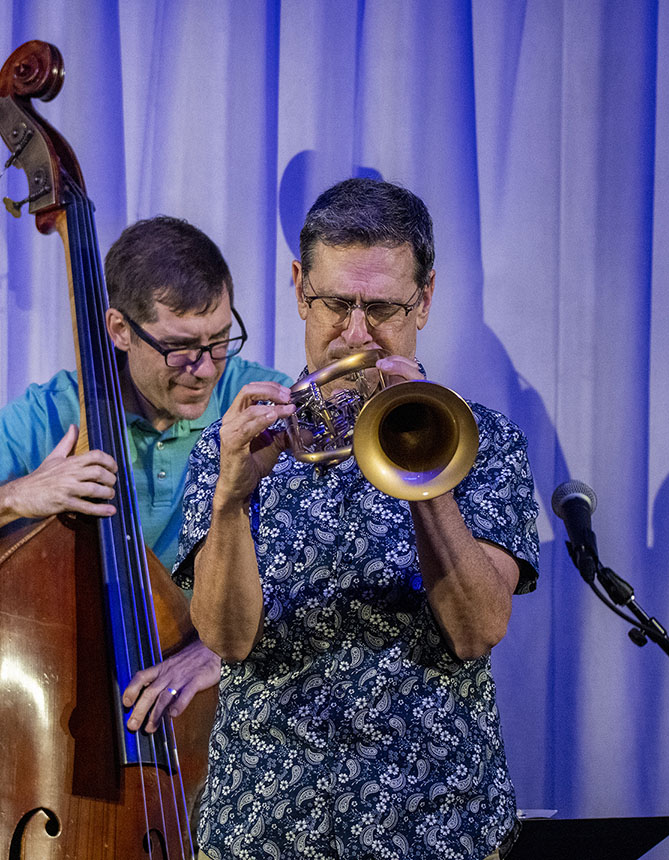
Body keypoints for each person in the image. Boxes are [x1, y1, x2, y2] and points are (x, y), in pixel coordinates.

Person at [174, 177, 539, 860]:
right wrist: (230, 503)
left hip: (434, 825)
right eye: (335, 304)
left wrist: (425, 473)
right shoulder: (229, 447)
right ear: (297, 288)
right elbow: (225, 639)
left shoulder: (483, 442)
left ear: (424, 300)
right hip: (264, 826)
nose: (355, 334)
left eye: (383, 310)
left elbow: (476, 630)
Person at [0, 215, 291, 733]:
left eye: (219, 341)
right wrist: (16, 497)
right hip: (70, 704)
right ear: (120, 330)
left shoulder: (254, 400)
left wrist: (219, 651)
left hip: (214, 716)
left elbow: (330, 559)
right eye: (181, 348)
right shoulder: (50, 414)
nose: (207, 368)